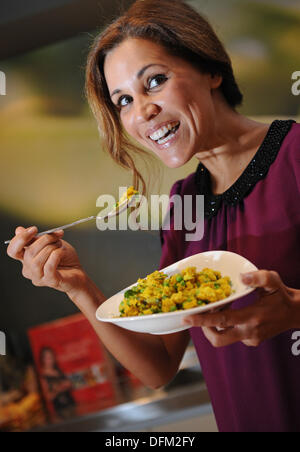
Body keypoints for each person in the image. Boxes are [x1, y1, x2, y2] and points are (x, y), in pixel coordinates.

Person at [6, 0, 300, 432]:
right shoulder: (185, 205)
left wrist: (295, 310)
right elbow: (159, 367)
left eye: (155, 82)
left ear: (211, 70)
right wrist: (80, 288)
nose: (141, 112)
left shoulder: (295, 156)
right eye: (123, 100)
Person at [39, 347, 76, 420]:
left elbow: (70, 384)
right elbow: (48, 397)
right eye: (48, 358)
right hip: (60, 409)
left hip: (71, 403)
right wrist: (58, 389)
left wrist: (68, 384)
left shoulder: (57, 371)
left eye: (51, 357)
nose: (50, 360)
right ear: (43, 360)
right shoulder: (43, 376)